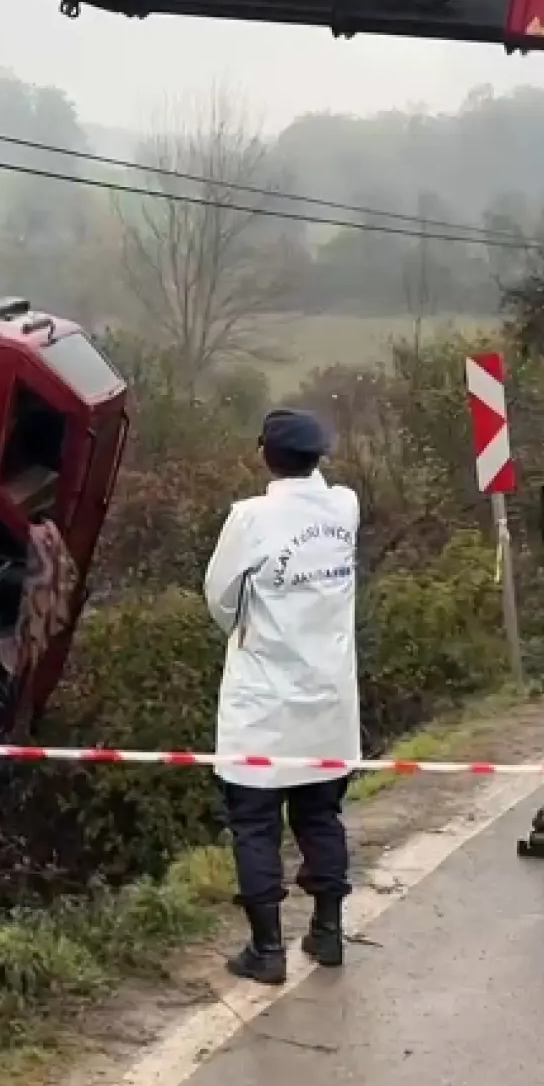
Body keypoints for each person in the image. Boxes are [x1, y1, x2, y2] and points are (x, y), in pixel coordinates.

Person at [204, 408, 360, 987]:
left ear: (265, 453)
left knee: (255, 822)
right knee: (321, 814)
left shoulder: (250, 518)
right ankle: (327, 931)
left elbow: (219, 596)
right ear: (318, 455)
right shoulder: (345, 507)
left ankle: (266, 949)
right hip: (329, 697)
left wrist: (253, 630)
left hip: (264, 700)